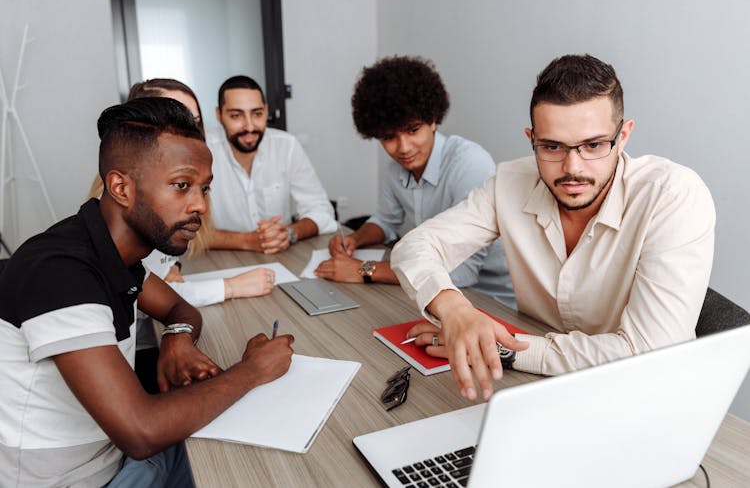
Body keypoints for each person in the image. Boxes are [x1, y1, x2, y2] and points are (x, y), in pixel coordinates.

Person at [0, 97, 295, 486]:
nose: (200, 205)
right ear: (121, 187)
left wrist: (177, 339)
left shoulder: (115, 255)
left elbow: (180, 309)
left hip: (117, 457)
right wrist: (253, 370)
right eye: (181, 185)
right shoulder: (61, 272)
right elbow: (141, 431)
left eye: (204, 188)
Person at [391, 54, 715, 402]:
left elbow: (648, 355)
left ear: (623, 137)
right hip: (538, 394)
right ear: (531, 139)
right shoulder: (510, 182)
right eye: (551, 147)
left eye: (593, 145)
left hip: (644, 398)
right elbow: (415, 246)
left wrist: (504, 349)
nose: (572, 167)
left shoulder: (673, 196)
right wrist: (454, 309)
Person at [87, 78, 276, 394]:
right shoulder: (89, 253)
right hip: (135, 362)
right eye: (174, 122)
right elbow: (137, 426)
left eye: (194, 124)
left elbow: (171, 299)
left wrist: (177, 330)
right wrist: (231, 288)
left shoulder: (144, 227)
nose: (189, 136)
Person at [315, 56, 514, 308]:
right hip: (432, 291)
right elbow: (385, 222)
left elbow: (462, 273)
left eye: (412, 130)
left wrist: (364, 269)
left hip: (490, 300)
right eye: (389, 137)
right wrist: (356, 239)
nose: (403, 148)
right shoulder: (395, 169)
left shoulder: (469, 163)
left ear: (432, 120)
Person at [206, 75, 336, 253]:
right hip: (217, 261)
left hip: (280, 257)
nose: (249, 126)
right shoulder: (202, 150)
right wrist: (246, 241)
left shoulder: (287, 145)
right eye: (236, 115)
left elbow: (322, 211)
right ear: (219, 115)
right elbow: (182, 231)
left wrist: (289, 233)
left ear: (266, 111)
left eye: (257, 114)